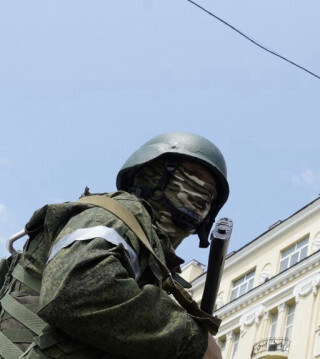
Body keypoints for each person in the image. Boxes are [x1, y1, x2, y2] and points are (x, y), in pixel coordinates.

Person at [0, 132, 229, 358]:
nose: (200, 195)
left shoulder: (153, 265)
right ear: (151, 173)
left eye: (210, 193)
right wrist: (192, 340)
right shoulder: (117, 214)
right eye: (191, 175)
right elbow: (80, 291)